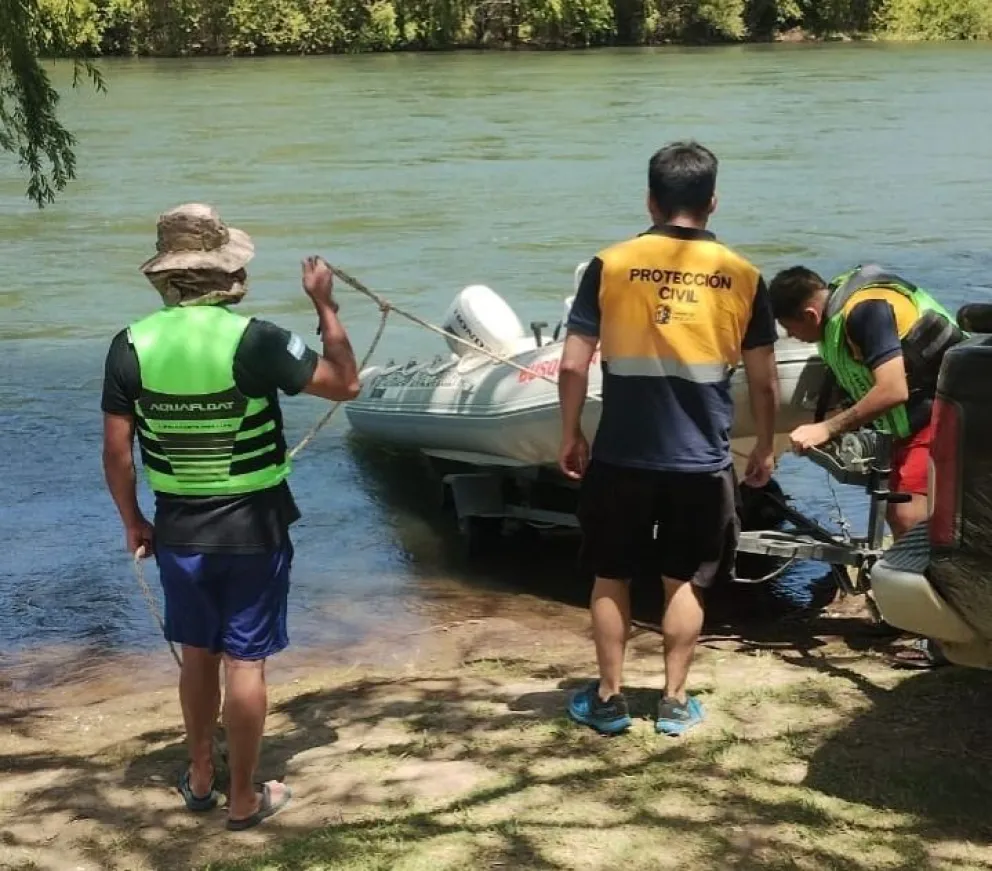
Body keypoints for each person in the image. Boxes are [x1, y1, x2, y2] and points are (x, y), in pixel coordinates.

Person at [101, 203, 361, 830]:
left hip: (179, 528)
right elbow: (345, 383)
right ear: (227, 273)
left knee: (198, 656)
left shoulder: (129, 344)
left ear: (166, 277)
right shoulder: (258, 339)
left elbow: (116, 453)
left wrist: (133, 521)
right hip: (254, 526)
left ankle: (199, 777)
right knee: (247, 661)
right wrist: (326, 306)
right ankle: (244, 797)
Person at [558, 141, 781, 737]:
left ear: (651, 200)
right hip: (701, 459)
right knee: (683, 577)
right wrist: (762, 447)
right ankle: (675, 702)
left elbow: (574, 365)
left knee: (611, 573)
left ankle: (608, 699)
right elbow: (763, 381)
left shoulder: (610, 264)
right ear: (712, 201)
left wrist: (571, 432)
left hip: (622, 453)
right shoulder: (744, 275)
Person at [768, 263, 965, 667]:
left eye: (790, 329)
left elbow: (893, 388)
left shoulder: (866, 311)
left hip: (944, 410)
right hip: (915, 419)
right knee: (903, 518)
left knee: (908, 517)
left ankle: (943, 636)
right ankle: (917, 615)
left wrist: (828, 426)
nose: (791, 338)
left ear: (809, 314)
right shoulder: (838, 315)